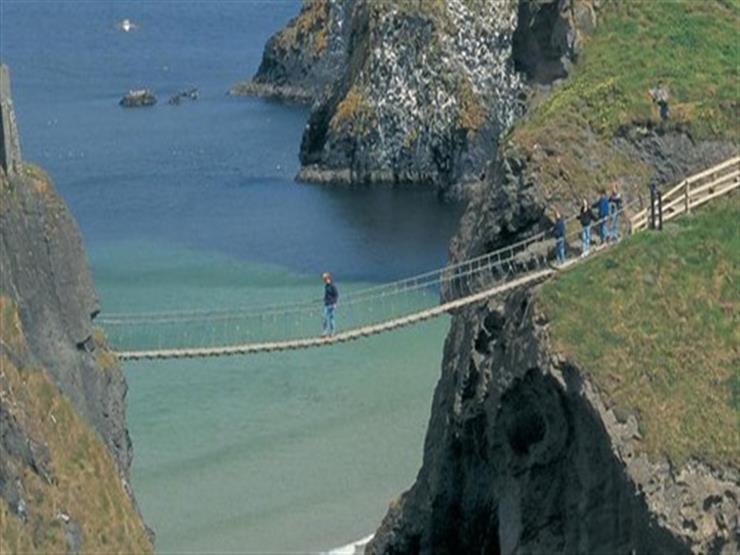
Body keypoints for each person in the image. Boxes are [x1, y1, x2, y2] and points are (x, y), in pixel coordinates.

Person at [321, 272, 338, 336]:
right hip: (326, 304)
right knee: (324, 317)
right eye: (324, 280)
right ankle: (325, 331)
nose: (325, 281)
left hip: (332, 304)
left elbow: (336, 295)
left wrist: (335, 303)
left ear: (329, 278)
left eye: (325, 279)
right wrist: (324, 299)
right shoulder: (326, 286)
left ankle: (332, 331)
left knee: (331, 318)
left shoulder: (333, 286)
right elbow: (326, 294)